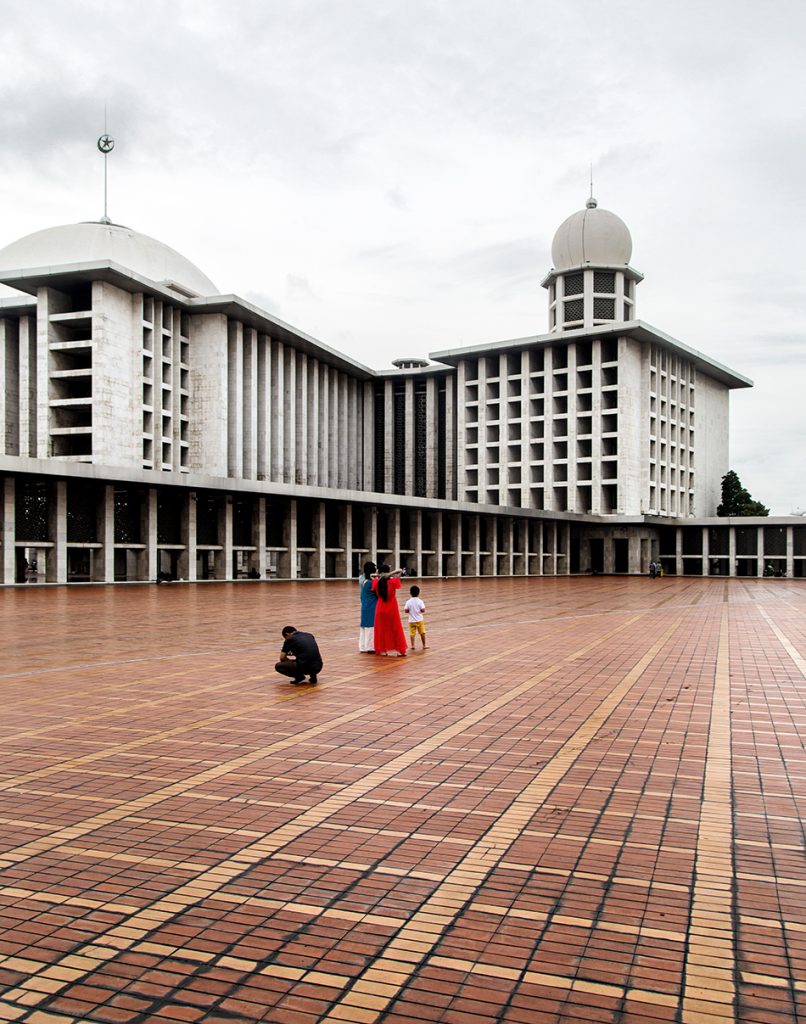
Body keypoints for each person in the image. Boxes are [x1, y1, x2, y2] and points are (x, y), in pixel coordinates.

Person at [372, 564, 408, 656]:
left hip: (380, 607)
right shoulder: (393, 582)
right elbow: (400, 570)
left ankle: (382, 650)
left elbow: (372, 575)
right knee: (395, 629)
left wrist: (380, 575)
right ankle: (400, 650)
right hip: (392, 608)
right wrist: (389, 574)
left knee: (381, 630)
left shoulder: (376, 581)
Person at [358, 560, 378, 653]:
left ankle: (362, 646)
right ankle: (369, 647)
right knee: (370, 627)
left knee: (363, 627)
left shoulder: (361, 578)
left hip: (364, 605)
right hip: (372, 606)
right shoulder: (370, 583)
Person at [404, 585, 427, 650]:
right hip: (419, 619)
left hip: (411, 620)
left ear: (410, 593)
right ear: (419, 592)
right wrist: (419, 610)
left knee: (412, 633)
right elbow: (423, 610)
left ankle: (413, 645)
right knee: (422, 633)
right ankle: (424, 645)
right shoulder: (420, 601)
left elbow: (406, 610)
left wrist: (410, 611)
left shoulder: (408, 601)